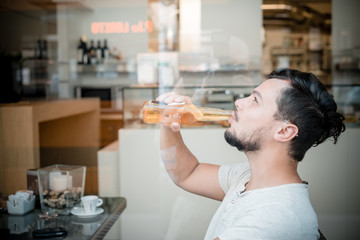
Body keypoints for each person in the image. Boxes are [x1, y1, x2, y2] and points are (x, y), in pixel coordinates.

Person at [157, 68, 345, 240]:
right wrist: (168, 123)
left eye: (255, 100)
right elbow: (187, 173)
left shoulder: (275, 217)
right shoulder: (247, 177)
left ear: (284, 131)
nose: (239, 102)